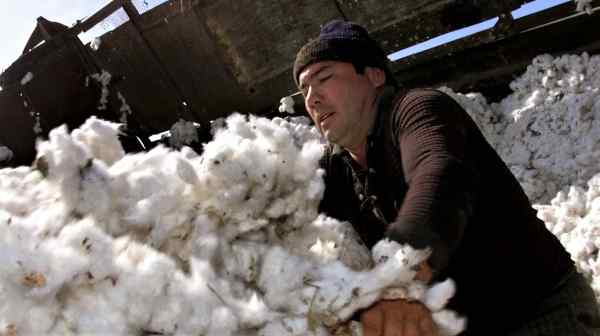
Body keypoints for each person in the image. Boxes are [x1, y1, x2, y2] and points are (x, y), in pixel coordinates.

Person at [293, 20, 600, 335]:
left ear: (374, 75)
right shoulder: (337, 167)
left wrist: (400, 272)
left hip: (538, 310)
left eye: (325, 78)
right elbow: (297, 226)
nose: (312, 98)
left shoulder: (419, 110)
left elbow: (439, 173)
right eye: (304, 90)